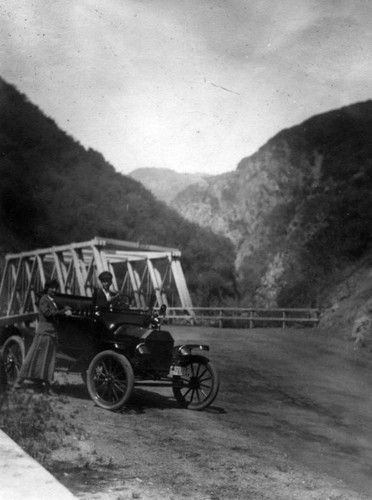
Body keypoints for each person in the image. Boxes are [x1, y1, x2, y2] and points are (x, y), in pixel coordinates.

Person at [14, 279, 72, 394]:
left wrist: (66, 308)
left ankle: (45, 386)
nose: (54, 290)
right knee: (33, 357)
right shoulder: (44, 300)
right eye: (52, 287)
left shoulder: (52, 301)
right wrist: (63, 311)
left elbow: (55, 312)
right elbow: (47, 314)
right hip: (43, 333)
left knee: (48, 360)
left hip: (50, 333)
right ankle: (19, 382)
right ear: (47, 288)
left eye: (56, 288)